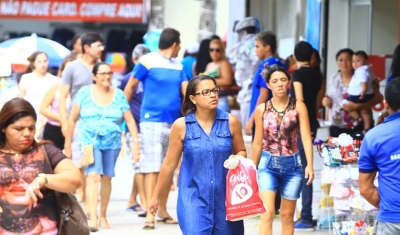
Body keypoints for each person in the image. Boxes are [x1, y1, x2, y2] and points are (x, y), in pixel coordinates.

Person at [148, 75, 246, 234]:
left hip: (227, 200)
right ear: (193, 98)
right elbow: (169, 164)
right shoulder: (181, 126)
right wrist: (155, 197)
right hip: (193, 200)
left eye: (215, 90)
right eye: (206, 92)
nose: (213, 95)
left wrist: (238, 157)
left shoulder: (231, 121)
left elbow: (241, 150)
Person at [124, 28, 188, 230]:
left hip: (174, 124)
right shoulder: (147, 60)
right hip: (150, 122)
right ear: (176, 44)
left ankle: (161, 211)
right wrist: (124, 117)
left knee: (166, 170)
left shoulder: (178, 66)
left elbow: (188, 93)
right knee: (152, 168)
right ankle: (150, 215)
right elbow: (130, 86)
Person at [64, 62, 140, 231]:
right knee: (93, 176)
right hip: (89, 142)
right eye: (102, 73)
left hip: (112, 142)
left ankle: (103, 215)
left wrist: (135, 143)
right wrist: (67, 144)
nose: (106, 77)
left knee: (107, 177)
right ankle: (92, 216)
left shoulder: (119, 95)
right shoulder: (84, 93)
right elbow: (72, 119)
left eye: (109, 73)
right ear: (94, 76)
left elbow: (129, 120)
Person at [0, 97, 81, 235]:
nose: (27, 133)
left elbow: (75, 179)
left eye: (31, 128)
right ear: (3, 128)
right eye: (19, 128)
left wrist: (44, 180)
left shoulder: (46, 151)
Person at [252, 65, 314, 234]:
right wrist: (251, 168)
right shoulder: (261, 110)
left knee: (287, 216)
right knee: (267, 213)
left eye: (283, 80)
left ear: (289, 82)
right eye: (275, 81)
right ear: (268, 84)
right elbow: (257, 142)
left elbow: (306, 137)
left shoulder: (299, 107)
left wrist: (309, 165)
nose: (279, 84)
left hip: (293, 166)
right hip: (267, 164)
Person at [59, 32, 104, 204]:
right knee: (77, 162)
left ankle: (87, 200)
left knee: (92, 164)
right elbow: (63, 96)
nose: (102, 49)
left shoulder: (101, 68)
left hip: (97, 123)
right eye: (98, 45)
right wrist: (64, 121)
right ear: (87, 47)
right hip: (77, 122)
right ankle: (78, 199)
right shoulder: (72, 67)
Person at [359, 77, 400, 233]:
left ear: (386, 104)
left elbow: (365, 189)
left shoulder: (373, 137)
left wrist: (390, 206)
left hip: (390, 222)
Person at [290, 41, 323, 231]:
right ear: (311, 56)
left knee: (304, 170)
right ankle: (304, 215)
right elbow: (318, 103)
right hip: (312, 122)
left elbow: (299, 100)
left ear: (295, 56)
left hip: (300, 125)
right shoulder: (318, 76)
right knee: (306, 167)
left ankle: (307, 217)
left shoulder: (297, 74)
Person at [118, 44, 150, 215]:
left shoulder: (152, 77)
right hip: (134, 126)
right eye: (140, 60)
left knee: (146, 166)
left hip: (150, 125)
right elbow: (122, 103)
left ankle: (132, 199)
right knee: (139, 165)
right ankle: (145, 203)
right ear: (134, 60)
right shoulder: (127, 79)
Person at [322, 48, 383, 137]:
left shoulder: (363, 76)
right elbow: (332, 99)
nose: (344, 63)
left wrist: (357, 106)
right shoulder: (333, 78)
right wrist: (326, 102)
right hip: (337, 127)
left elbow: (378, 98)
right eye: (340, 60)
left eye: (348, 59)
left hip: (360, 127)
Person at [245, 31, 287, 139]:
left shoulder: (266, 65)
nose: (255, 50)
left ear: (267, 47)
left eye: (257, 46)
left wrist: (251, 120)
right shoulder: (281, 63)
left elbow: (264, 94)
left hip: (264, 119)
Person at [18, 51, 59, 140]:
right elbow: (20, 99)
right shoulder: (26, 78)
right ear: (33, 63)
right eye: (39, 61)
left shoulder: (54, 80)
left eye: (45, 61)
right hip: (29, 115)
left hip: (47, 118)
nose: (43, 64)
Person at [40, 55, 77, 150]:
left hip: (75, 132)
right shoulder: (56, 86)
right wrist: (62, 118)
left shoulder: (82, 90)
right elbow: (42, 108)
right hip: (54, 130)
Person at [232, 16, 261, 128]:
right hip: (246, 88)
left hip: (249, 88)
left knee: (248, 124)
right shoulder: (248, 43)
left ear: (243, 31)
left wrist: (251, 78)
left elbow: (257, 59)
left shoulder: (250, 43)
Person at [345, 51, 376, 133]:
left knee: (345, 104)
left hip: (359, 95)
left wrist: (363, 90)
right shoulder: (368, 69)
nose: (355, 64)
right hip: (369, 94)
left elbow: (363, 82)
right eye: (353, 61)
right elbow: (374, 79)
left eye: (358, 61)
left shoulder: (360, 71)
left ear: (366, 61)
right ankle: (366, 128)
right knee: (364, 111)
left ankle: (358, 119)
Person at [203, 38, 234, 112]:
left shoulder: (224, 63)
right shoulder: (209, 64)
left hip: (220, 100)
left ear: (222, 51)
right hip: (208, 100)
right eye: (211, 50)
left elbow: (227, 81)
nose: (214, 52)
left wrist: (207, 81)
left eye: (217, 50)